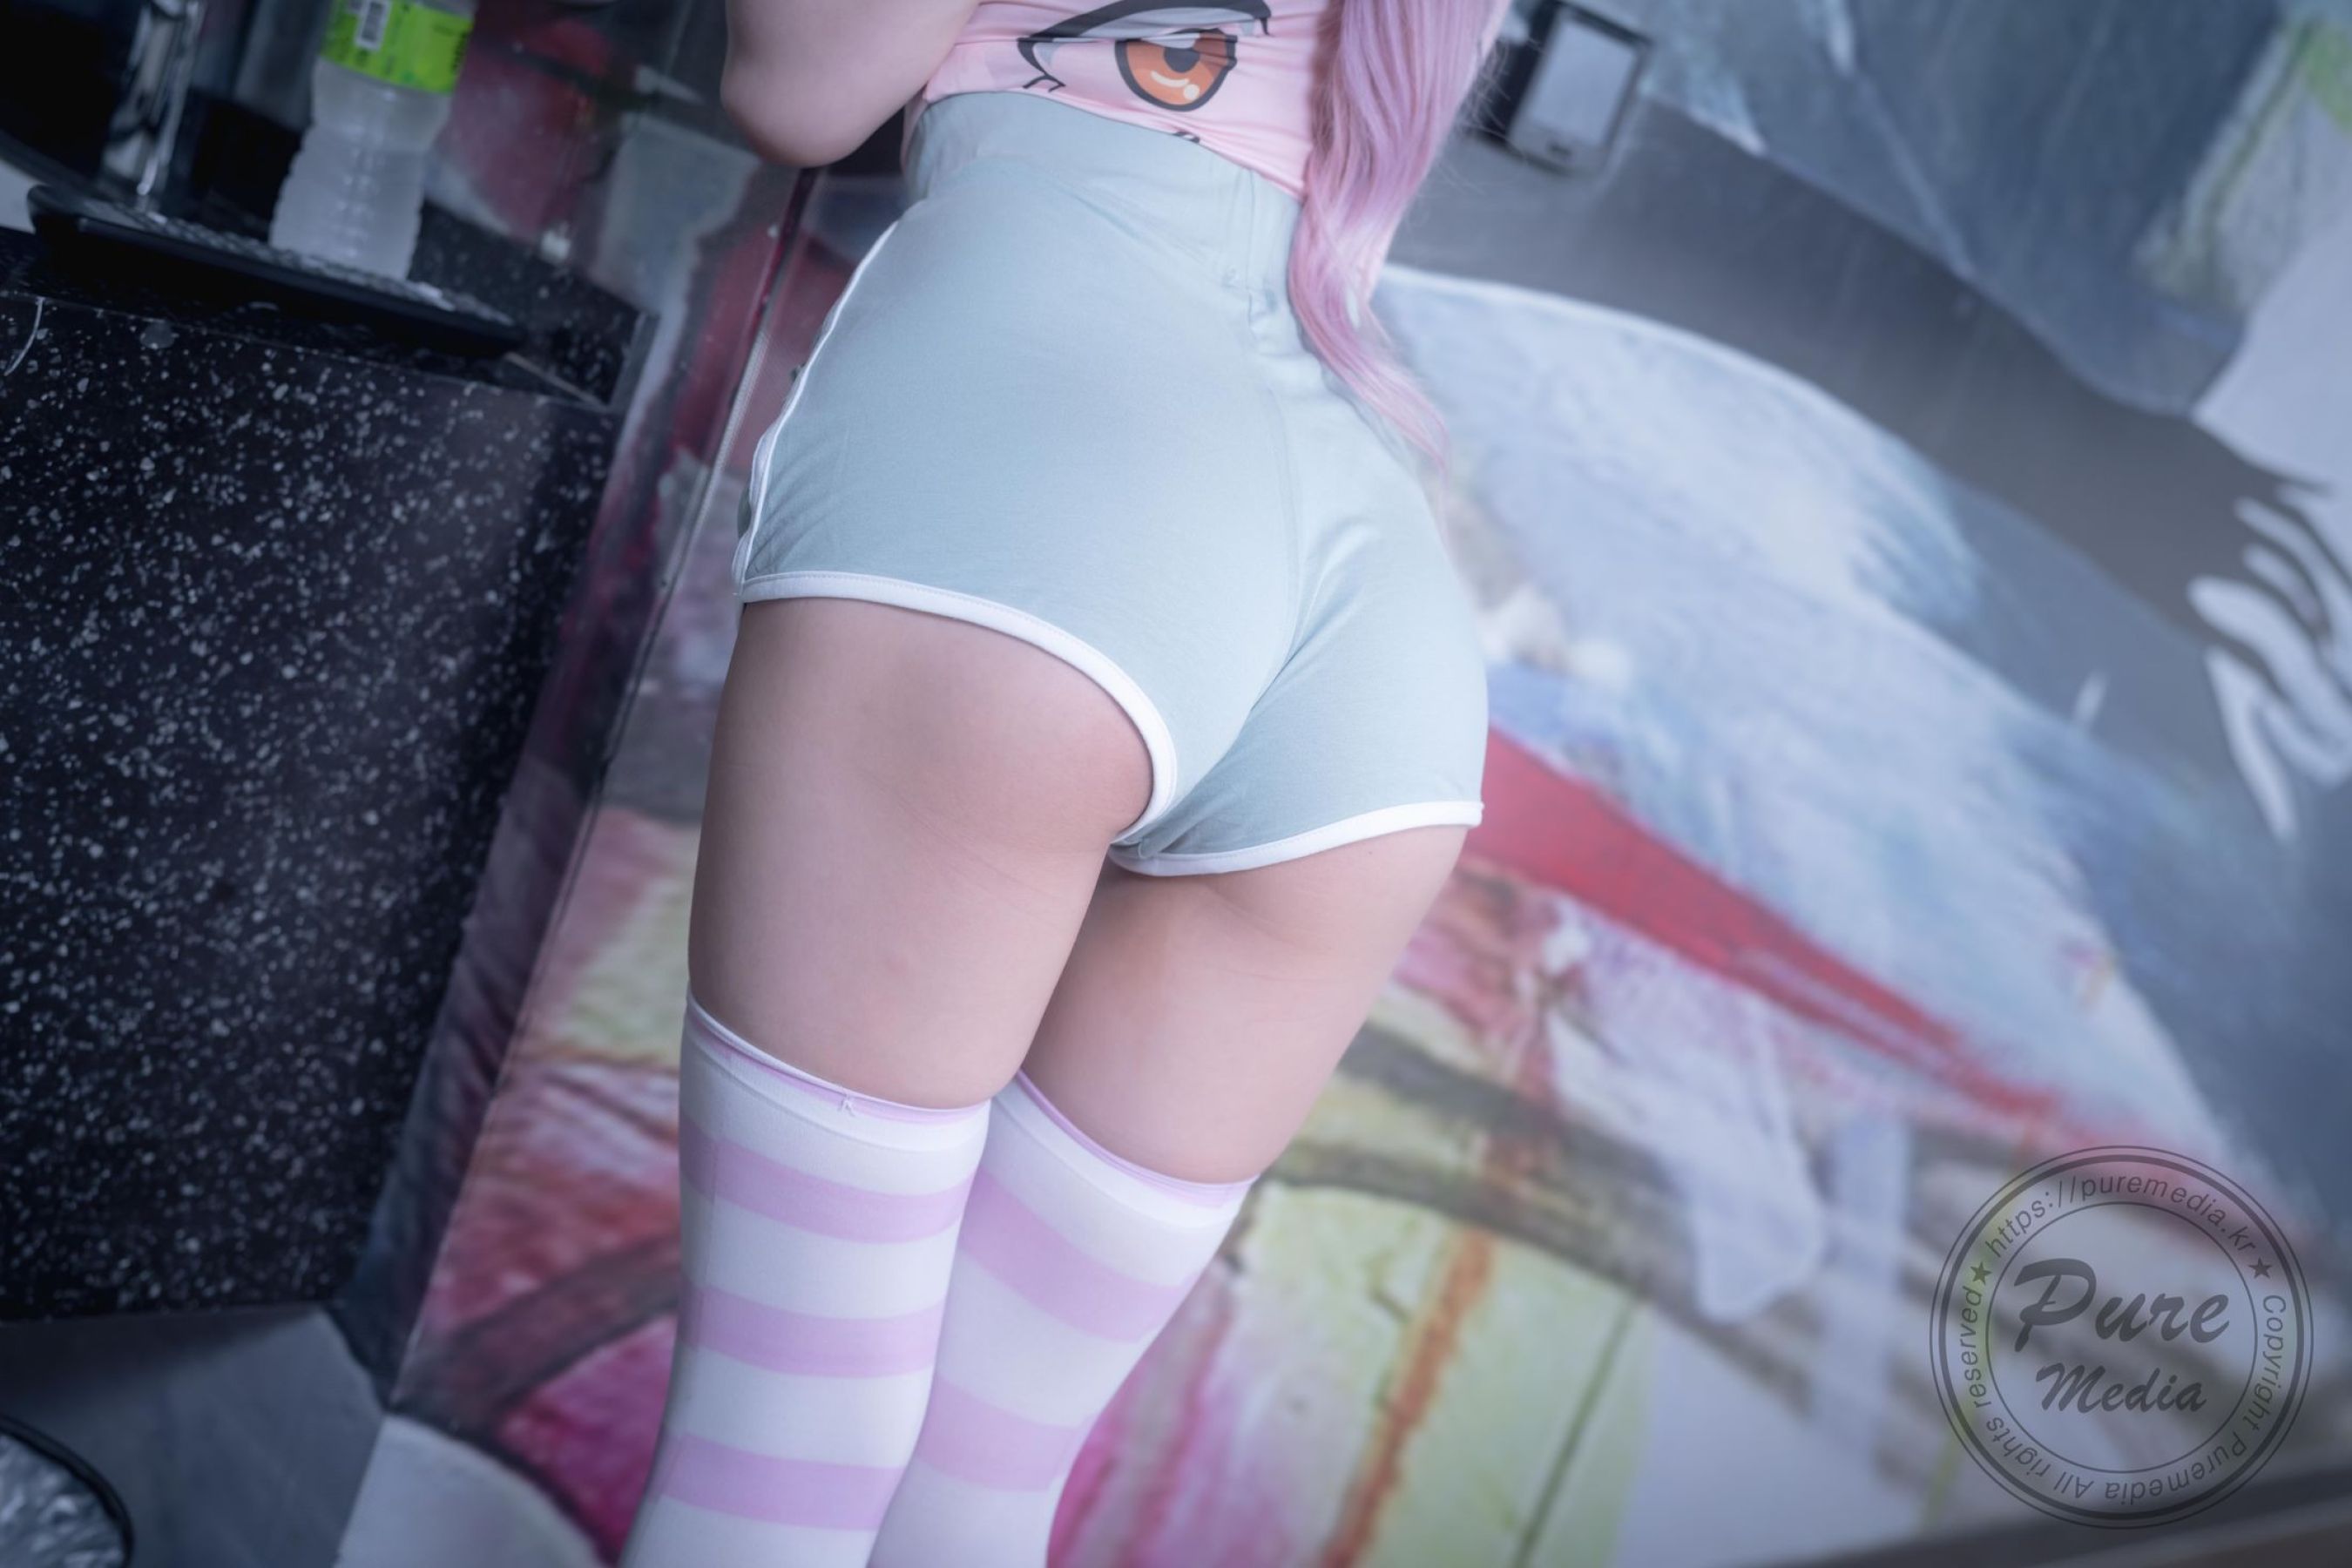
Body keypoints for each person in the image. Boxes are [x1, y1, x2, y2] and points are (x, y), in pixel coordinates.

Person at [623, 3, 1511, 1563]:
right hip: (1379, 633)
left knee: (786, 1441)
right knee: (982, 1487)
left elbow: (800, 86)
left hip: (1043, 465)